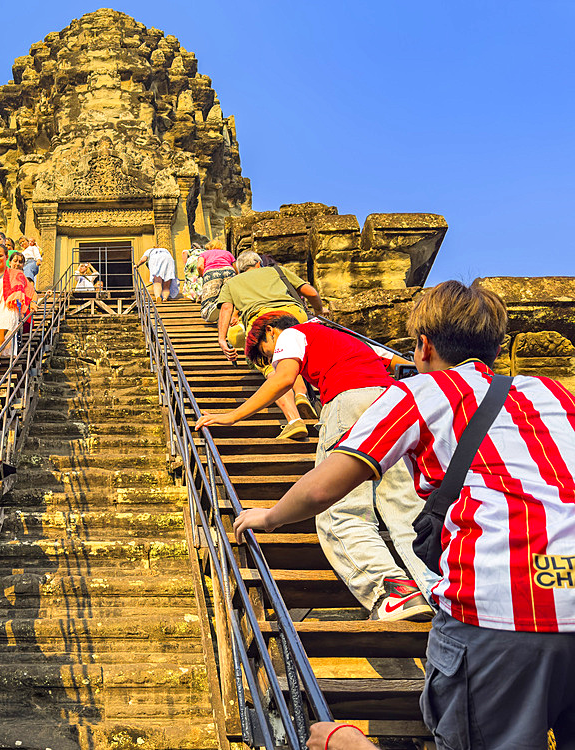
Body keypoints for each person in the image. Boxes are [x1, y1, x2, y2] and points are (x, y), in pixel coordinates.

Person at [234, 280, 575, 749]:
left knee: (345, 515)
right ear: (497, 348)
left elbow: (323, 490)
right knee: (404, 510)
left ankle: (390, 598)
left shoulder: (422, 391)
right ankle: (423, 588)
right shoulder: (554, 394)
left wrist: (270, 517)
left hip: (500, 609)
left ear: (423, 346)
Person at [198, 312, 435, 619]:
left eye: (263, 353)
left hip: (348, 402)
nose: (268, 360)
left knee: (341, 510)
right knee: (405, 508)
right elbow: (394, 361)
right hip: (392, 404)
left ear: (270, 332)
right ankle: (433, 589)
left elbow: (283, 379)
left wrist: (232, 416)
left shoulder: (292, 335)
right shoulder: (345, 337)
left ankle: (391, 589)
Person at [216, 250, 324, 439]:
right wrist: (319, 311)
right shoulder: (277, 271)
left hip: (264, 322)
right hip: (293, 315)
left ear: (239, 271)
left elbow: (226, 308)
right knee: (291, 358)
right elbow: (310, 292)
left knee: (273, 368)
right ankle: (301, 395)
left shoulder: (232, 283)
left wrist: (222, 338)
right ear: (259, 264)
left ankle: (294, 421)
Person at [196, 240, 237, 323]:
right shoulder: (227, 253)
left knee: (210, 296)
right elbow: (235, 266)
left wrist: (203, 275)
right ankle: (232, 315)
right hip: (228, 271)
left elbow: (200, 266)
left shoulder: (204, 254)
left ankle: (211, 309)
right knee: (230, 295)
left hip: (212, 272)